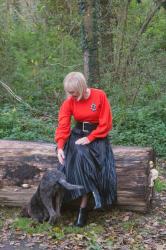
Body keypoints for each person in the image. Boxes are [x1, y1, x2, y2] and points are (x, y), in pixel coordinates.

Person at [55, 72, 117, 227]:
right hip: (78, 134)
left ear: (82, 87)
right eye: (68, 92)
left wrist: (90, 138)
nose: (70, 96)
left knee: (84, 156)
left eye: (73, 92)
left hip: (97, 136)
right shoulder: (69, 101)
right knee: (73, 157)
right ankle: (73, 201)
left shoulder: (99, 95)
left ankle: (83, 208)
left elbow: (106, 124)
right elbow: (63, 125)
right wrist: (60, 147)